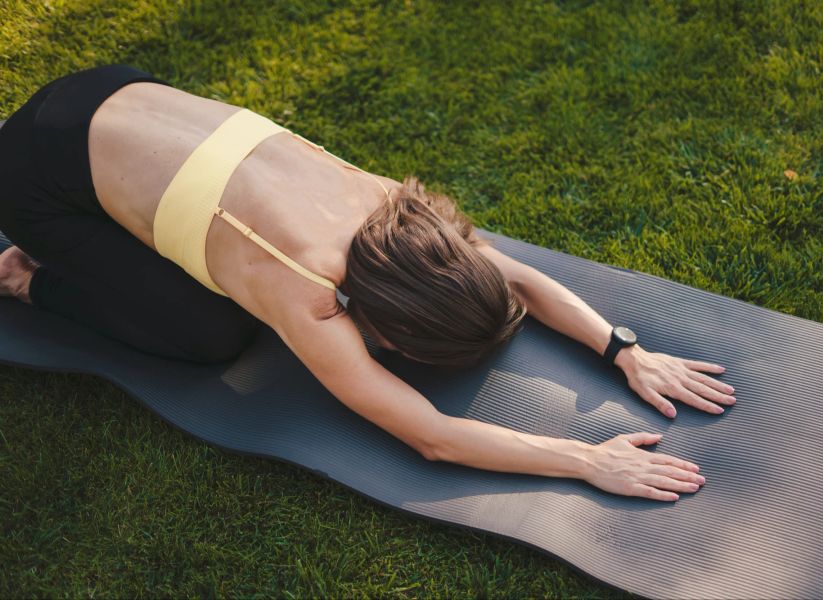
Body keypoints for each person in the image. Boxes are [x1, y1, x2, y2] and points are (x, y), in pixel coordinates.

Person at [0, 64, 736, 502]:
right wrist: (587, 459)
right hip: (32, 176)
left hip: (108, 91)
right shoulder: (305, 294)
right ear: (383, 327)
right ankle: (29, 281)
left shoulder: (397, 213)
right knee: (211, 332)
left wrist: (622, 348)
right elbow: (435, 439)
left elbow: (518, 279)